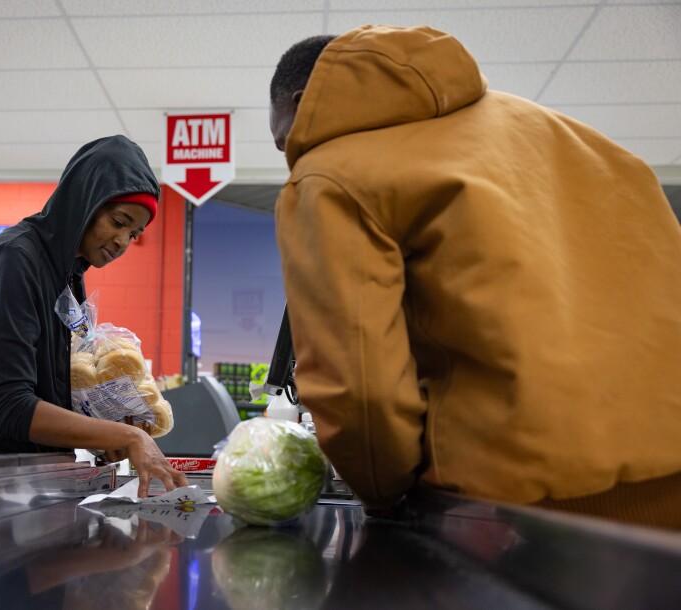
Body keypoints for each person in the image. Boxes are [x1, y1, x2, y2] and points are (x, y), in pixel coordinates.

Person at [268, 26, 681, 528]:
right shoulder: (574, 138)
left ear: (300, 100)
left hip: (518, 507)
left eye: (285, 139)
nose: (292, 157)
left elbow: (359, 390)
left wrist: (382, 497)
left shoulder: (329, 174)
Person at [0, 135, 188, 497]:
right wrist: (125, 436)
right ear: (85, 200)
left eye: (133, 233)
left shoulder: (69, 275)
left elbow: (53, 382)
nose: (122, 241)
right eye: (118, 221)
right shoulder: (14, 260)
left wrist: (105, 428)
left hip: (30, 468)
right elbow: (8, 405)